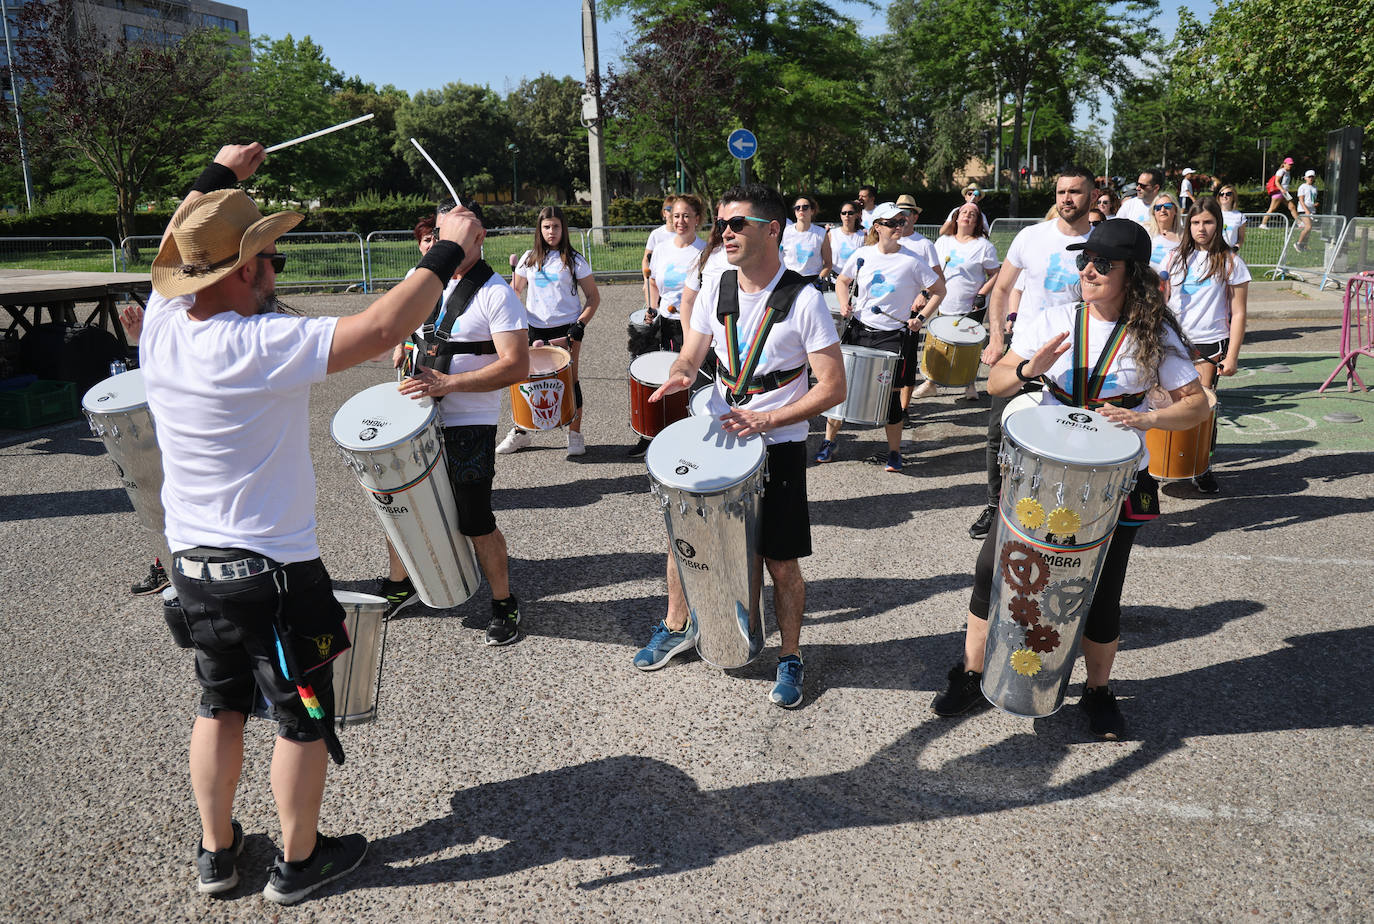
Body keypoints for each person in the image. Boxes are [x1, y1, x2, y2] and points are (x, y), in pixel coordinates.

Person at [140, 143, 483, 903]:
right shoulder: (258, 344)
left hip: (194, 569)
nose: (275, 268)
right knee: (301, 717)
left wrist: (221, 175)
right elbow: (384, 323)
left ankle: (217, 852)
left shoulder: (161, 324)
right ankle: (299, 864)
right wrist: (453, 247)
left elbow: (179, 238)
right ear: (242, 273)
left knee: (219, 700)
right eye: (268, 256)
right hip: (275, 574)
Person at [930, 218, 1209, 738]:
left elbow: (1195, 407)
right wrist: (1028, 370)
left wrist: (1148, 419)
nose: (1089, 270)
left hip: (1113, 482)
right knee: (993, 567)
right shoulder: (1054, 318)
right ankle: (970, 673)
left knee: (1101, 592)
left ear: (1133, 275)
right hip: (1040, 476)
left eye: (1103, 263)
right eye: (1085, 260)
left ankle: (1098, 692)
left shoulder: (1158, 334)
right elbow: (994, 382)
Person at [631, 182, 846, 708]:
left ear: (771, 230)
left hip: (780, 441)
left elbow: (834, 386)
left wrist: (768, 418)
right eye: (721, 225)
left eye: (736, 224)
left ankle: (790, 655)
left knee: (779, 559)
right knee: (686, 537)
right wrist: (681, 373)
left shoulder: (804, 299)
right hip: (722, 432)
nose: (724, 233)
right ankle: (677, 625)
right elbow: (692, 350)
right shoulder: (717, 286)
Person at [395, 207, 530, 647]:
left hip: (469, 420)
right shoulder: (428, 281)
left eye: (456, 233)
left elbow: (517, 366)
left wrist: (450, 383)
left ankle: (503, 602)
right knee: (401, 504)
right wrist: (402, 345)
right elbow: (407, 327)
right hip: (416, 414)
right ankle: (402, 584)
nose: (445, 240)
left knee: (474, 519)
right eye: (440, 232)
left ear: (479, 237)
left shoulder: (496, 293)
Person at [969, 167, 1094, 540]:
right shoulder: (1031, 236)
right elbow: (1003, 288)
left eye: (1074, 192)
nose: (1066, 199)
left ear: (1091, 195)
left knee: (1066, 440)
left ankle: (1065, 513)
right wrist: (995, 338)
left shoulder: (1102, 242)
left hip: (1074, 359)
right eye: (1060, 192)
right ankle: (995, 505)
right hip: (1022, 352)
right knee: (999, 434)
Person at [816, 202, 945, 471]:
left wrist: (920, 319)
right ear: (877, 227)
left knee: (891, 397)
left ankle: (894, 452)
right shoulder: (863, 254)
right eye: (892, 223)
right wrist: (843, 303)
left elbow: (939, 290)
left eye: (901, 222)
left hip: (893, 336)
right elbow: (842, 281)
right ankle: (829, 442)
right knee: (840, 388)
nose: (899, 226)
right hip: (860, 329)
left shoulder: (912, 260)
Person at [1161, 197, 1250, 493]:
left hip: (1208, 347)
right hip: (1170, 343)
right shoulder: (1173, 257)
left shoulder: (1231, 262)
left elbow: (1238, 313)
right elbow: (1161, 300)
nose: (1201, 228)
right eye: (1196, 222)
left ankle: (1202, 467)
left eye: (1208, 222)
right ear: (1189, 225)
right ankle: (1158, 462)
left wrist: (1233, 356)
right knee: (1162, 405)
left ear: (1218, 224)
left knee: (1202, 410)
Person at [500, 206, 601, 457]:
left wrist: (580, 325)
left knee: (570, 380)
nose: (551, 231)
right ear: (540, 229)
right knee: (524, 378)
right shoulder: (528, 258)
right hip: (535, 328)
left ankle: (575, 433)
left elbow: (593, 298)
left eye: (556, 226)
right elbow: (515, 294)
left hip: (567, 328)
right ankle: (521, 432)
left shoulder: (575, 260)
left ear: (563, 228)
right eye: (546, 227)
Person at [919, 201, 1000, 401]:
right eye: (963, 212)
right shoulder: (943, 242)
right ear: (956, 218)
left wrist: (982, 293)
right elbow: (931, 270)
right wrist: (926, 292)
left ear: (978, 221)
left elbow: (996, 273)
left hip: (971, 304)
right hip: (944, 301)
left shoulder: (984, 247)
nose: (967, 215)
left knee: (969, 346)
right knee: (939, 343)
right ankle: (931, 383)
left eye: (973, 213)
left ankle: (969, 384)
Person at [782, 194, 832, 278]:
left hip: (812, 279)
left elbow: (828, 263)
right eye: (797, 208)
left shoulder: (821, 233)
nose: (801, 210)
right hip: (789, 280)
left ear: (812, 211)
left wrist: (819, 280)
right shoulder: (785, 232)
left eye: (805, 207)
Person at [641, 195, 677, 306]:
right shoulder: (656, 235)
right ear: (664, 213)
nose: (671, 213)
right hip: (657, 280)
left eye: (674, 209)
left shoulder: (683, 234)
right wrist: (645, 280)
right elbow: (646, 259)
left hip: (676, 279)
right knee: (653, 312)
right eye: (668, 209)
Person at [824, 201, 866, 285]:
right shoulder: (832, 234)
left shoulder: (863, 236)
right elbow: (823, 259)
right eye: (844, 213)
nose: (847, 215)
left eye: (850, 213)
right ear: (840, 215)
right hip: (833, 281)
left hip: (856, 282)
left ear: (856, 215)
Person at [1145, 191, 1184, 274]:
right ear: (1153, 212)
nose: (1162, 210)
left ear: (1175, 210)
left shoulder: (1185, 235)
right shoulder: (1145, 232)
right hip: (1150, 282)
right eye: (1158, 208)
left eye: (1167, 206)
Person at [1260, 157, 1296, 229]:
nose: (1290, 166)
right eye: (1289, 164)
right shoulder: (1281, 171)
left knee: (1292, 207)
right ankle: (1263, 224)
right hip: (1279, 192)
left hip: (1284, 193)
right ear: (1284, 164)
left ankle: (1300, 223)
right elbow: (1276, 182)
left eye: (1291, 164)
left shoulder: (1287, 172)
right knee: (1272, 208)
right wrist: (1282, 189)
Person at [1216, 185, 1247, 251]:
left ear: (1233, 197)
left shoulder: (1240, 216)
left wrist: (1236, 248)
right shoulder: (1213, 214)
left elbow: (1241, 238)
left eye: (1228, 194)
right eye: (1221, 194)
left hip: (1230, 253)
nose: (1224, 196)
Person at [1295, 170, 1319, 252]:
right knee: (1308, 227)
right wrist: (1306, 210)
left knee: (1309, 229)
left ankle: (1304, 246)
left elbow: (1311, 200)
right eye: (1309, 177)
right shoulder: (1302, 187)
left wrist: (1314, 204)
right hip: (1303, 210)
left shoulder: (1315, 188)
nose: (1311, 178)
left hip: (1312, 210)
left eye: (1312, 177)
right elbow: (1301, 200)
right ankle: (1298, 243)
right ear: (1305, 178)